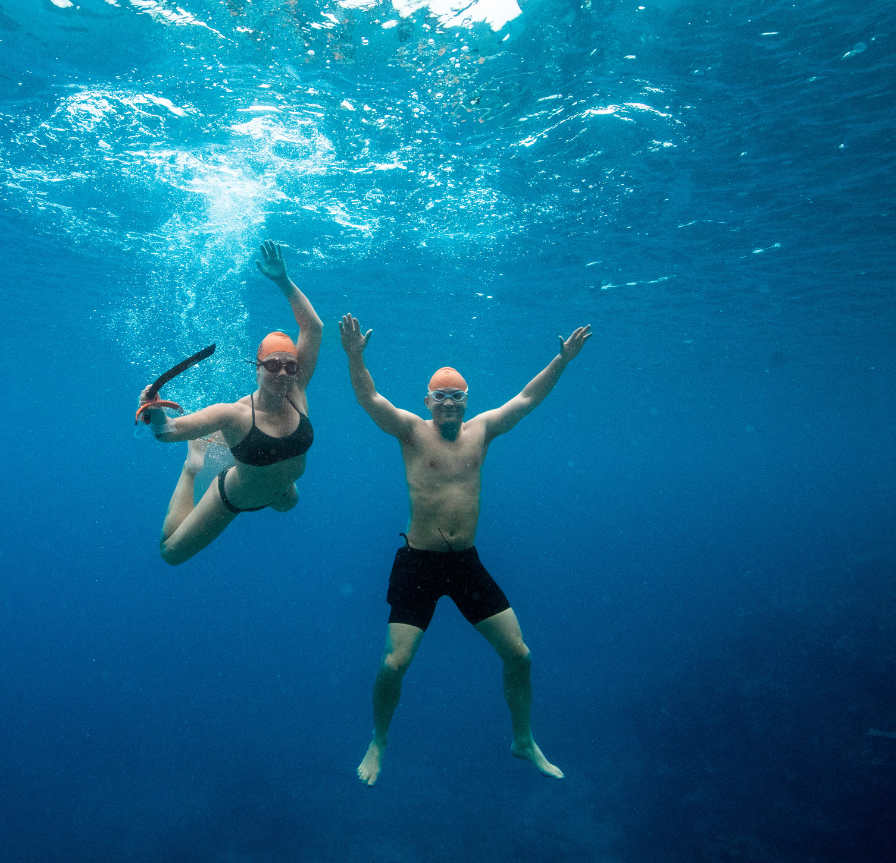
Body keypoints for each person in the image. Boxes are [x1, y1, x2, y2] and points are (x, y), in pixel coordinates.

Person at [339, 312, 592, 785]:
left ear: (467, 399)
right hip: (418, 563)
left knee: (520, 655)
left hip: (465, 565)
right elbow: (369, 397)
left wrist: (562, 360)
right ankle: (378, 739)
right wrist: (355, 356)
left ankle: (523, 740)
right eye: (441, 396)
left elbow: (528, 398)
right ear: (428, 401)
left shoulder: (483, 430)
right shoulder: (411, 430)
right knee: (395, 663)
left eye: (457, 396)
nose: (449, 403)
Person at [140, 241, 322, 565]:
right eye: (272, 365)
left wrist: (283, 280)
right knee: (171, 553)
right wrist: (154, 413)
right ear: (257, 367)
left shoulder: (297, 391)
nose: (282, 373)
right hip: (235, 496)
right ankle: (194, 465)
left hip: (281, 492)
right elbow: (166, 431)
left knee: (289, 502)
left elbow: (313, 327)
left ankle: (234, 463)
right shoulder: (233, 414)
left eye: (290, 366)